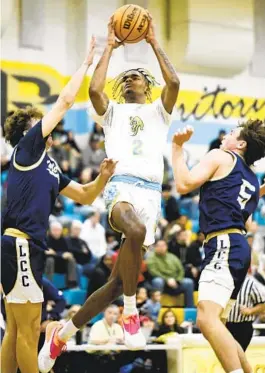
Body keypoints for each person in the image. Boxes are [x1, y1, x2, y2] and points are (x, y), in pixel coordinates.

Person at [38, 12, 180, 371]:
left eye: (137, 76)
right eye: (127, 77)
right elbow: (95, 90)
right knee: (134, 230)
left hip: (150, 193)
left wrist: (152, 42)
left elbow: (174, 81)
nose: (132, 79)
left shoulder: (158, 112)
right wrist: (111, 48)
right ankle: (132, 314)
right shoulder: (112, 111)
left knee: (116, 285)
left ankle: (62, 336)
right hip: (121, 186)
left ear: (146, 87)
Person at [1, 37, 117, 373]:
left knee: (15, 329)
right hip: (21, 243)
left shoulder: (48, 166)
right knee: (26, 331)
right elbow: (65, 100)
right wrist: (86, 64)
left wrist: (103, 176)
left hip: (24, 246)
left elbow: (84, 196)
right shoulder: (27, 148)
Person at [171, 119, 265, 373]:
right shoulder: (253, 180)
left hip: (223, 243)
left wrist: (177, 148)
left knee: (205, 319)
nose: (225, 136)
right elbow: (244, 212)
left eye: (232, 133)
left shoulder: (221, 156)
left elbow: (183, 184)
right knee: (217, 325)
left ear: (241, 144)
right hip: (237, 246)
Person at [147, 240, 194, 307]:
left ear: (166, 247)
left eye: (163, 245)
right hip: (162, 283)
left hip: (175, 283)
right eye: (159, 246)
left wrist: (177, 280)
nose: (161, 247)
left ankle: (189, 309)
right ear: (155, 247)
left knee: (189, 282)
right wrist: (167, 279)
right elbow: (153, 272)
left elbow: (181, 270)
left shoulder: (172, 257)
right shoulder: (151, 257)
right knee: (157, 281)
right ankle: (156, 307)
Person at [226, 276, 265, 351]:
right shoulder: (223, 281)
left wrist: (251, 311)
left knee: (236, 355)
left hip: (243, 327)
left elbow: (263, 305)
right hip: (224, 325)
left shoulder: (250, 283)